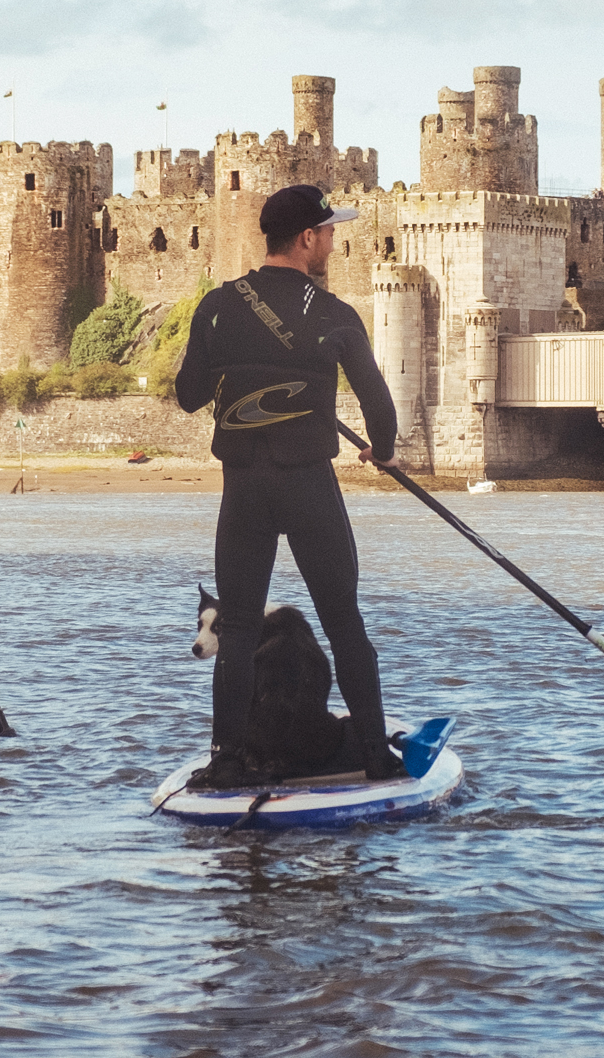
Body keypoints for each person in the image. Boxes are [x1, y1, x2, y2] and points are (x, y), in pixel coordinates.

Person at [174, 184, 403, 787]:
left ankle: (226, 760)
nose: (333, 239)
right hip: (308, 486)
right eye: (329, 231)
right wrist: (382, 451)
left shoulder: (217, 307)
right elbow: (378, 406)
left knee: (242, 625)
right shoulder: (332, 313)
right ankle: (377, 759)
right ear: (307, 239)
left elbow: (189, 395)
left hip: (243, 488)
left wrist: (235, 370)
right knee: (343, 622)